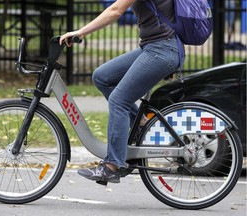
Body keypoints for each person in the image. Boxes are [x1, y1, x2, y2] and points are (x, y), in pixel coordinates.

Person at [60, 0, 182, 184]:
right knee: (102, 77)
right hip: (154, 47)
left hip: (162, 49)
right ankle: (141, 123)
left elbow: (116, 10)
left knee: (119, 100)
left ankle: (112, 166)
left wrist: (80, 32)